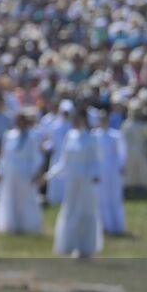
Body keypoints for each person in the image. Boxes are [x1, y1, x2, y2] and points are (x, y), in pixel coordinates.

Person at [48, 108, 102, 259]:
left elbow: (95, 160)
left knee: (85, 211)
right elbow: (64, 161)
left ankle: (85, 246)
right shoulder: (70, 136)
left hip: (85, 181)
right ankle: (68, 244)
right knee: (70, 210)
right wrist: (50, 174)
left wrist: (95, 175)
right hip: (72, 181)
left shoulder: (91, 138)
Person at [0, 110, 44, 234]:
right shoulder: (9, 135)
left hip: (26, 171)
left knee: (26, 198)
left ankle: (27, 224)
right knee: (10, 197)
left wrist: (35, 172)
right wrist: (0, 170)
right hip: (10, 171)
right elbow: (4, 155)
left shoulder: (32, 136)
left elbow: (37, 156)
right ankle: (11, 224)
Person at [92, 110, 126, 236]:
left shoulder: (115, 135)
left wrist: (120, 166)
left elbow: (121, 153)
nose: (102, 121)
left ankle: (116, 225)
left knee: (114, 196)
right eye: (101, 119)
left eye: (104, 118)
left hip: (112, 169)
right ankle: (103, 225)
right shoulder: (94, 135)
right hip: (100, 169)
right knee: (100, 197)